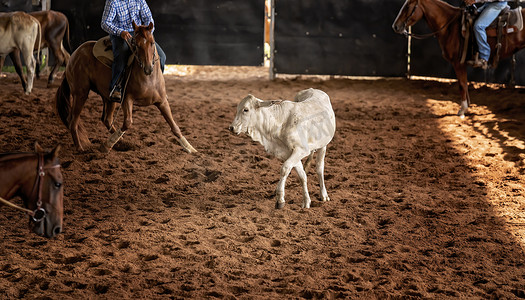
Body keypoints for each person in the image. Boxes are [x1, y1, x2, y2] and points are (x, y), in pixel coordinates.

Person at [101, 0, 166, 102]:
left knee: (161, 57)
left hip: (140, 33)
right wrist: (120, 32)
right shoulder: (113, 2)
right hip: (120, 34)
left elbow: (148, 17)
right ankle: (116, 87)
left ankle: (158, 86)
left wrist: (148, 31)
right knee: (121, 55)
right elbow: (105, 23)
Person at [465, 0, 509, 69]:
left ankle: (484, 58)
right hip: (490, 3)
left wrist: (475, 0)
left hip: (498, 3)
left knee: (478, 26)